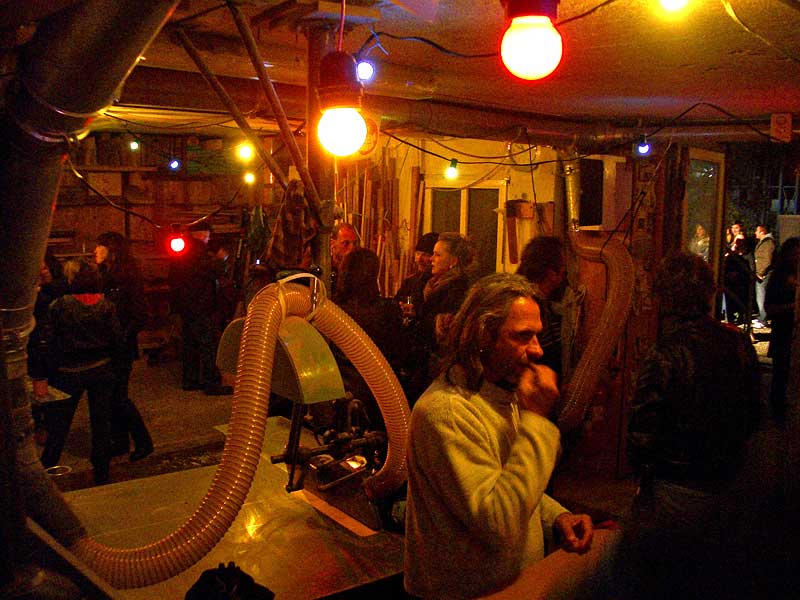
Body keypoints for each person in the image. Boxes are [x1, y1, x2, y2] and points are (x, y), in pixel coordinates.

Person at [404, 273, 594, 599]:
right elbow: (498, 521)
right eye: (522, 336)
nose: (537, 350)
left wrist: (556, 516)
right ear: (483, 336)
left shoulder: (501, 395)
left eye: (537, 335)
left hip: (507, 589)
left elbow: (505, 480)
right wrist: (537, 420)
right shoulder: (448, 412)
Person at [613, 252, 760, 599]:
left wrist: (642, 480)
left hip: (676, 489)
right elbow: (754, 414)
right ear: (708, 291)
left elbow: (643, 430)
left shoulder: (665, 352)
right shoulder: (738, 343)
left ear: (664, 296)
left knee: (659, 578)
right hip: (729, 483)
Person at [40, 259, 125, 485]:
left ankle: (46, 470)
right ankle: (102, 473)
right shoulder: (106, 305)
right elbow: (116, 339)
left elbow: (48, 340)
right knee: (101, 424)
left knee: (59, 425)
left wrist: (47, 370)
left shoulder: (60, 306)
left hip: (69, 371)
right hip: (100, 367)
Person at [95, 232, 154, 461]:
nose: (95, 250)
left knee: (118, 396)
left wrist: (122, 338)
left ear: (112, 249)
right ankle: (119, 442)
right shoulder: (105, 275)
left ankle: (143, 441)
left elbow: (139, 315)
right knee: (111, 396)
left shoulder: (127, 278)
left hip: (120, 346)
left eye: (100, 246)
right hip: (107, 343)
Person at [332, 248, 406, 427]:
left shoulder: (332, 309)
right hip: (378, 396)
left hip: (337, 392)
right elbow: (399, 354)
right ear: (373, 276)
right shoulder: (387, 311)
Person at [169, 222, 232, 396]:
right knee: (208, 344)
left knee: (190, 344)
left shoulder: (182, 251)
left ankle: (190, 381)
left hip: (187, 306)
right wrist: (221, 259)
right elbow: (215, 271)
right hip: (201, 305)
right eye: (208, 235)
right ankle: (212, 382)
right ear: (201, 233)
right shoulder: (198, 251)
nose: (208, 238)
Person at [516, 235, 567, 378]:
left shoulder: (548, 304)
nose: (565, 276)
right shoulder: (526, 306)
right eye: (564, 270)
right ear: (552, 274)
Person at [765, 236, 799, 422]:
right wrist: (792, 307)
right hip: (783, 330)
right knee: (781, 372)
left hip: (790, 331)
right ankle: (778, 410)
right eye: (794, 254)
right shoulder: (779, 276)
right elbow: (770, 307)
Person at [395, 231, 439, 319]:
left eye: (425, 255)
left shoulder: (439, 284)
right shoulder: (409, 282)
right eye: (418, 254)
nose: (419, 259)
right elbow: (399, 301)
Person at [751, 223, 775, 329]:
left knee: (762, 296)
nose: (755, 233)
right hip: (761, 273)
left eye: (757, 231)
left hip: (763, 274)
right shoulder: (764, 242)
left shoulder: (768, 242)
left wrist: (760, 272)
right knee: (760, 296)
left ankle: (763, 319)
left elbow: (767, 259)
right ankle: (761, 316)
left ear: (762, 232)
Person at [329, 222, 358, 294]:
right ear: (332, 243)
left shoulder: (358, 271)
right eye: (346, 243)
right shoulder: (326, 269)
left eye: (354, 243)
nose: (351, 248)